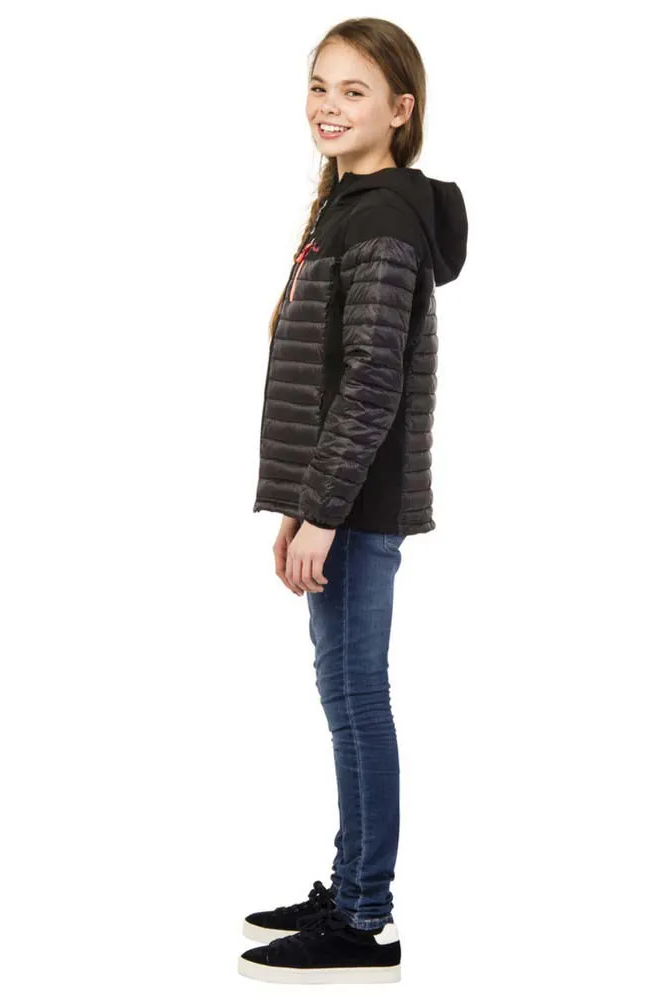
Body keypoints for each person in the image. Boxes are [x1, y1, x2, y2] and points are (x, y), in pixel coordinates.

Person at [240, 17, 468, 986]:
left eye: (354, 91)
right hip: (337, 501)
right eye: (319, 86)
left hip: (359, 508)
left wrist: (326, 512)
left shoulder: (381, 219)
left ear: (400, 110)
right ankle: (349, 886)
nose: (328, 107)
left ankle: (366, 917)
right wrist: (302, 505)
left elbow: (371, 381)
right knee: (344, 695)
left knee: (357, 699)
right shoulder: (347, 206)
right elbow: (334, 376)